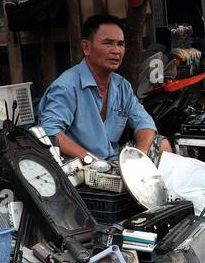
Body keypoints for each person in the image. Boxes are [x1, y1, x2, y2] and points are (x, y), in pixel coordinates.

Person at [38, 14, 163, 160]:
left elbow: (144, 123)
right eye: (108, 43)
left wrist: (140, 156)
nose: (116, 50)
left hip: (112, 161)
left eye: (120, 44)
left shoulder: (122, 86)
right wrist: (91, 160)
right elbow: (50, 132)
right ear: (87, 47)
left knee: (162, 145)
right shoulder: (67, 86)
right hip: (79, 165)